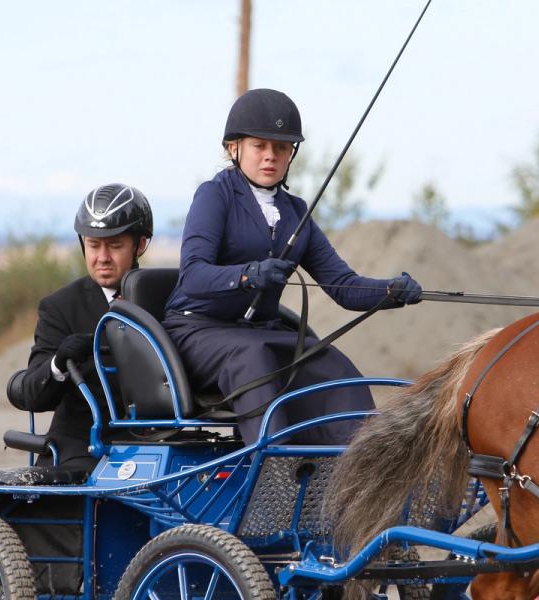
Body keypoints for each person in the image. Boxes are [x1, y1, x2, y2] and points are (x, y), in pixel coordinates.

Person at [163, 88, 422, 446]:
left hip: (257, 333)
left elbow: (343, 286)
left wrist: (392, 291)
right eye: (260, 146)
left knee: (331, 363)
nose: (270, 156)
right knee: (254, 357)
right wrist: (247, 274)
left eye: (281, 147)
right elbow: (193, 275)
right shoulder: (214, 195)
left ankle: (360, 466)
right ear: (233, 147)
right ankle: (273, 472)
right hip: (197, 332)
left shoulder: (296, 212)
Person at [16, 183, 153, 469]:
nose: (102, 257)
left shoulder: (163, 298)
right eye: (93, 245)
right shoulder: (60, 306)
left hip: (158, 440)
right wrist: (58, 363)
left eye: (115, 246)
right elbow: (32, 393)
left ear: (139, 245)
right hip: (82, 445)